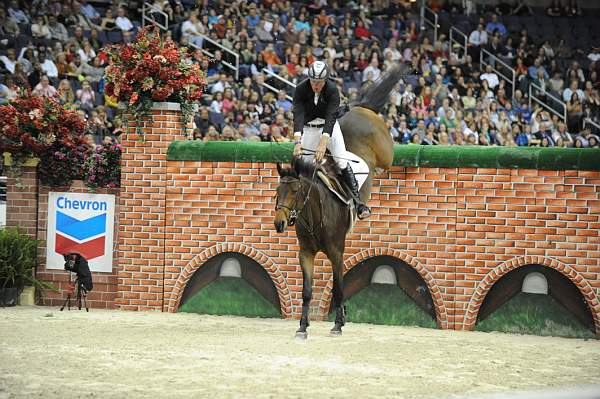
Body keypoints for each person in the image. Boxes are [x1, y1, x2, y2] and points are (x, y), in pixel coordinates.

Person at [292, 60, 371, 219]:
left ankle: (358, 203)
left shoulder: (332, 90)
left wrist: (323, 143)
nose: (316, 85)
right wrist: (297, 142)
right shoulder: (301, 89)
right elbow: (298, 115)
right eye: (313, 81)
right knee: (303, 165)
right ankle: (295, 207)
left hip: (330, 128)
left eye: (319, 82)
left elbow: (330, 118)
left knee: (341, 161)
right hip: (309, 129)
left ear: (325, 80)